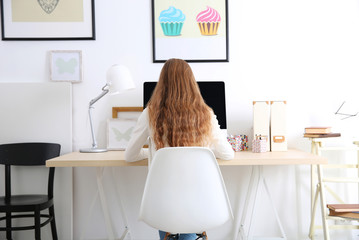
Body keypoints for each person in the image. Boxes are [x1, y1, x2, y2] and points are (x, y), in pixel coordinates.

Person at [125, 58, 234, 240]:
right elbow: (227, 154)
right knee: (189, 204)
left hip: (162, 206)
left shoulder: (149, 113)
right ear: (191, 83)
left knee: (168, 208)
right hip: (200, 203)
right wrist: (202, 151)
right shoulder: (206, 114)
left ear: (162, 84)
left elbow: (130, 155)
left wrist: (156, 153)